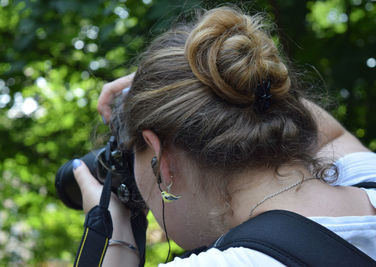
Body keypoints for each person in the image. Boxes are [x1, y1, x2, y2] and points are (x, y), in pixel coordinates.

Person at [72, 6, 376, 266]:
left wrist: (115, 240)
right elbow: (331, 135)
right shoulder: (366, 179)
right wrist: (190, 82)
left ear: (161, 159)